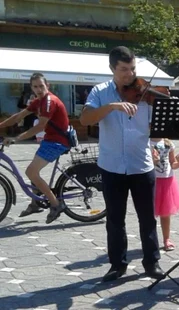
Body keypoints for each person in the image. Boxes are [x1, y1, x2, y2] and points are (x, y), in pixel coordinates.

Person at [80, 46, 165, 282]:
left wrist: (159, 140)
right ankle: (117, 265)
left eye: (133, 69)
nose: (130, 75)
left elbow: (157, 132)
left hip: (141, 164)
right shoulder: (100, 92)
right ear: (112, 69)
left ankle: (152, 262)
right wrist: (112, 107)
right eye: (124, 70)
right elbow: (85, 118)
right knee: (115, 219)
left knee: (147, 218)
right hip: (112, 166)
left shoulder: (144, 92)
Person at [0, 73, 71, 223]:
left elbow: (40, 125)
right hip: (49, 140)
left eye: (41, 86)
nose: (39, 89)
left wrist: (16, 139)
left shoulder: (48, 101)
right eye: (35, 86)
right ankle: (35, 203)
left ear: (47, 85)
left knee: (31, 172)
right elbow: (19, 116)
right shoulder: (39, 101)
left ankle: (56, 204)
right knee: (33, 170)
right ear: (31, 88)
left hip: (58, 141)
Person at [151, 138, 179, 251]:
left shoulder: (168, 143)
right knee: (149, 213)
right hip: (152, 180)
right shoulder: (146, 142)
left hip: (167, 181)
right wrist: (152, 161)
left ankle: (166, 239)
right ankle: (150, 240)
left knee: (166, 213)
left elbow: (172, 163)